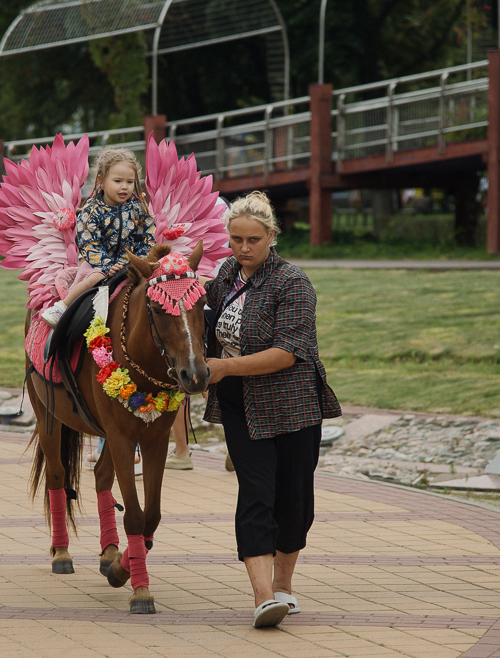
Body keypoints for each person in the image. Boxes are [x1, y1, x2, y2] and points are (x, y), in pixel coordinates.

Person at [203, 191, 341, 628]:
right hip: (240, 404)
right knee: (256, 494)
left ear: (271, 237)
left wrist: (224, 366)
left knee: (294, 500)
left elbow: (287, 353)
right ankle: (264, 597)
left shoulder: (293, 283)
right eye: (236, 239)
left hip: (293, 406)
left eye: (253, 240)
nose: (243, 249)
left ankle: (284, 586)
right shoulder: (225, 275)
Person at [40, 148, 155, 327]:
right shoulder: (91, 211)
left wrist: (137, 261)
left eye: (130, 182)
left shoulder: (138, 210)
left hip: (131, 264)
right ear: (101, 180)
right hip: (98, 264)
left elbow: (146, 238)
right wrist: (108, 266)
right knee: (94, 279)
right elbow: (89, 243)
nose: (124, 186)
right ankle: (62, 307)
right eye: (117, 181)